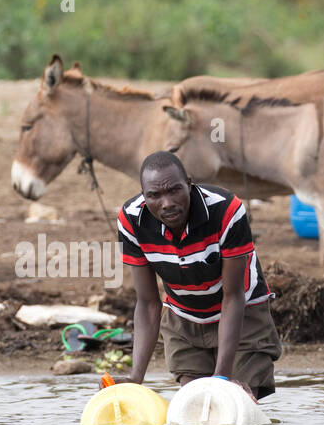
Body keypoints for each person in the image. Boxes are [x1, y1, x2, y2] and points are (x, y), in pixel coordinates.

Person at [116, 151, 282, 399]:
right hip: (184, 319)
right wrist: (134, 379)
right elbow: (148, 303)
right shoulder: (131, 219)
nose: (167, 203)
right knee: (194, 406)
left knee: (235, 404)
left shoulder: (226, 210)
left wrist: (222, 378)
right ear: (143, 195)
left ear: (189, 184)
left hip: (243, 314)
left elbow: (233, 296)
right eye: (154, 195)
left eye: (174, 190)